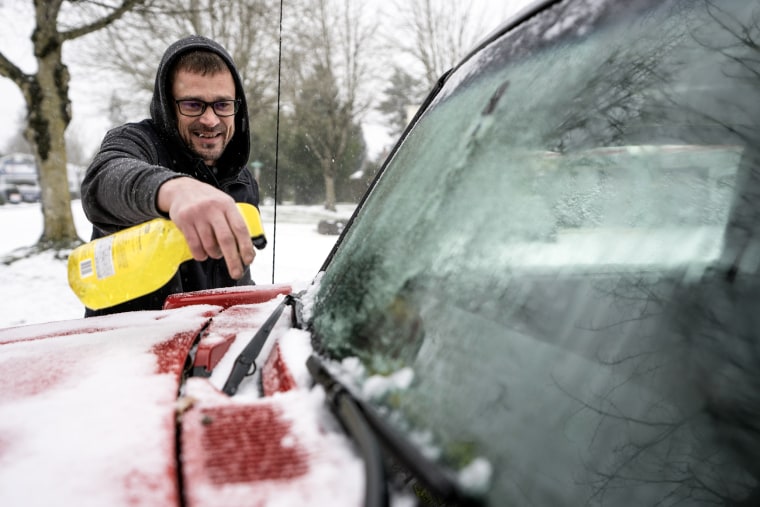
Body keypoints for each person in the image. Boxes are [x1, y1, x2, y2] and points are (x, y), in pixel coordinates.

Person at [80, 35, 260, 316]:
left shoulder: (242, 180)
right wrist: (173, 190)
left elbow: (236, 277)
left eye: (222, 105)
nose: (210, 120)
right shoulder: (137, 142)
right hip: (126, 349)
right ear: (167, 104)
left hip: (211, 351)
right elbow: (103, 181)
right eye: (192, 105)